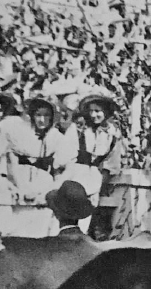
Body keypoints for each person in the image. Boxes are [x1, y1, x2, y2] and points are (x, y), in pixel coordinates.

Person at [54, 93, 125, 238]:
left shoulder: (112, 135)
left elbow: (111, 164)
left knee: (83, 225)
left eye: (98, 111)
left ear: (106, 112)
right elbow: (62, 157)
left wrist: (99, 188)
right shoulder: (78, 129)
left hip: (92, 181)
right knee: (63, 223)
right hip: (73, 175)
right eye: (91, 111)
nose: (94, 115)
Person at [7, 96, 64, 201]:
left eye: (46, 115)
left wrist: (51, 190)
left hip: (43, 184)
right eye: (38, 115)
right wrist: (20, 187)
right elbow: (12, 163)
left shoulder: (56, 137)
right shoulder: (19, 133)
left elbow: (57, 172)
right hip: (18, 180)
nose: (42, 120)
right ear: (32, 115)